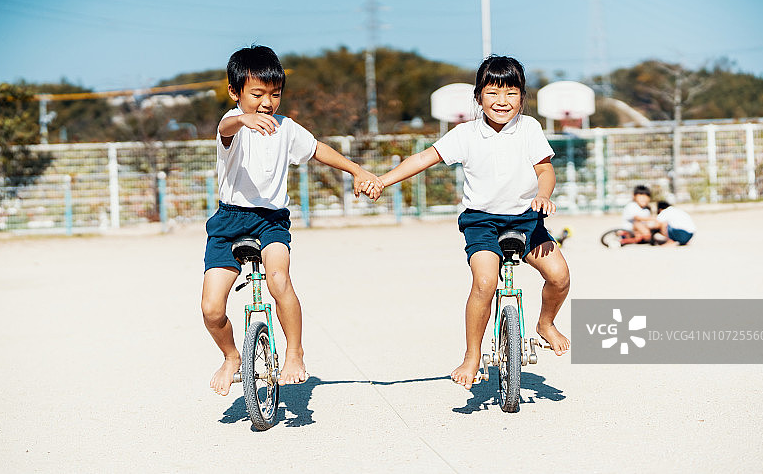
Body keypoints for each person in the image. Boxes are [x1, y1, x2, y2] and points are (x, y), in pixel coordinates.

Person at [371, 55, 571, 390]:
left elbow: (545, 169)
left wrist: (544, 194)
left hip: (527, 217)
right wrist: (382, 181)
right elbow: (423, 158)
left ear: (522, 97)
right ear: (478, 97)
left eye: (511, 93)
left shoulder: (529, 129)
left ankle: (546, 323)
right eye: (492, 93)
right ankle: (472, 355)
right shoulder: (465, 134)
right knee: (485, 281)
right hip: (481, 222)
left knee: (560, 276)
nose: (502, 101)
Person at [202, 45, 382, 396]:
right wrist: (243, 118)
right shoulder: (233, 127)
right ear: (234, 92)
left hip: (271, 221)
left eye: (275, 94)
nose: (267, 103)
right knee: (210, 308)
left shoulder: (286, 129)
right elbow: (225, 126)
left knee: (279, 279)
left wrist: (356, 170)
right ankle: (230, 356)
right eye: (257, 94)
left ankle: (295, 352)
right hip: (228, 221)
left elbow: (317, 150)